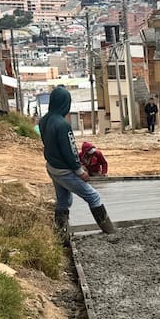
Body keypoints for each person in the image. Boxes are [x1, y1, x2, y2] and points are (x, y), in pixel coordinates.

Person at [40, 86, 116, 237]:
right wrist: (80, 171)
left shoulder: (44, 120)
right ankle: (109, 231)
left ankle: (61, 234)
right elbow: (70, 151)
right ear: (65, 104)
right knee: (93, 196)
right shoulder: (62, 125)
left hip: (52, 167)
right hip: (64, 170)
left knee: (63, 200)